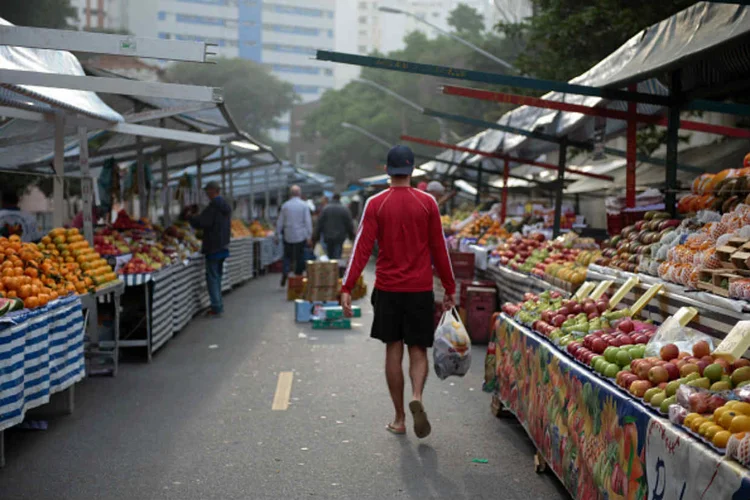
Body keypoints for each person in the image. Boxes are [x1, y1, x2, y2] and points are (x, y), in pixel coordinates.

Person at [340, 145, 456, 439]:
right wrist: (450, 288)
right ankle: (416, 395)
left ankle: (400, 418)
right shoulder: (428, 203)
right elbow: (439, 249)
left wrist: (347, 286)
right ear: (412, 170)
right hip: (419, 289)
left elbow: (362, 247)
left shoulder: (375, 203)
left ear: (386, 170)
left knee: (393, 347)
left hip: (389, 288)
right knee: (418, 349)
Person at [188, 181, 232, 317]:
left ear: (214, 190)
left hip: (213, 247)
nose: (206, 194)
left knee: (212, 277)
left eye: (208, 191)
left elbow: (203, 222)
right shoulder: (224, 206)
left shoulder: (214, 206)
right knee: (217, 276)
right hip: (223, 246)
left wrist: (190, 217)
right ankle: (218, 304)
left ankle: (216, 307)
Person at [276, 185, 312, 287]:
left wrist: (277, 234)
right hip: (300, 235)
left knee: (287, 256)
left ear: (290, 194)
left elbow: (280, 221)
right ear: (299, 194)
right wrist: (309, 236)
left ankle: (285, 271)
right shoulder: (304, 205)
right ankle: (298, 275)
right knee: (300, 256)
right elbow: (307, 222)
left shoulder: (285, 206)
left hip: (288, 235)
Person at [313, 193, 355, 260]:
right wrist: (351, 236)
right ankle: (337, 267)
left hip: (328, 236)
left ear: (332, 198)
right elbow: (349, 224)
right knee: (338, 254)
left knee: (330, 254)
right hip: (340, 237)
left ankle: (332, 266)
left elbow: (319, 223)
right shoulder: (344, 209)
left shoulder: (325, 209)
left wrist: (316, 236)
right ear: (339, 199)